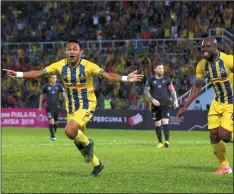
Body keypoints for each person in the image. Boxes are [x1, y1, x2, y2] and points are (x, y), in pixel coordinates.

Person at [3, 40, 144, 177]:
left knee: (70, 131)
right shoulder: (59, 65)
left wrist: (125, 78)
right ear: (65, 52)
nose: (71, 51)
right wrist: (19, 74)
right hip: (71, 107)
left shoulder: (88, 66)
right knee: (77, 140)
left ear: (80, 52)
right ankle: (97, 164)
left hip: (87, 103)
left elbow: (107, 75)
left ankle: (89, 143)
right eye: (69, 49)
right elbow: (39, 73)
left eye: (75, 49)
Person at [177, 37, 233, 175]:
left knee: (225, 135)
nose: (204, 50)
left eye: (208, 47)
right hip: (217, 103)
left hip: (231, 103)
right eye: (203, 48)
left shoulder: (229, 60)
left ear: (216, 47)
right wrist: (185, 106)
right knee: (214, 136)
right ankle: (225, 166)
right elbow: (197, 87)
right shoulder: (202, 65)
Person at [144, 64, 179, 148]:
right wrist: (152, 100)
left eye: (162, 68)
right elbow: (146, 91)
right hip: (155, 105)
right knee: (157, 123)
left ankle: (167, 141)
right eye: (159, 68)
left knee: (165, 122)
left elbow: (172, 90)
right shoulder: (150, 80)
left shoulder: (167, 79)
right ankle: (160, 142)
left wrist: (175, 99)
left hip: (165, 104)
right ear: (155, 69)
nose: (161, 70)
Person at [38, 75, 67, 141]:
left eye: (55, 78)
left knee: (55, 123)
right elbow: (42, 96)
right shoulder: (45, 87)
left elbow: (64, 94)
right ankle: (53, 136)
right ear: (49, 79)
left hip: (57, 107)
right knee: (51, 121)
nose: (55, 79)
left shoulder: (59, 86)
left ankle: (53, 132)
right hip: (49, 107)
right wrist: (40, 106)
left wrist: (67, 103)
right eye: (53, 78)